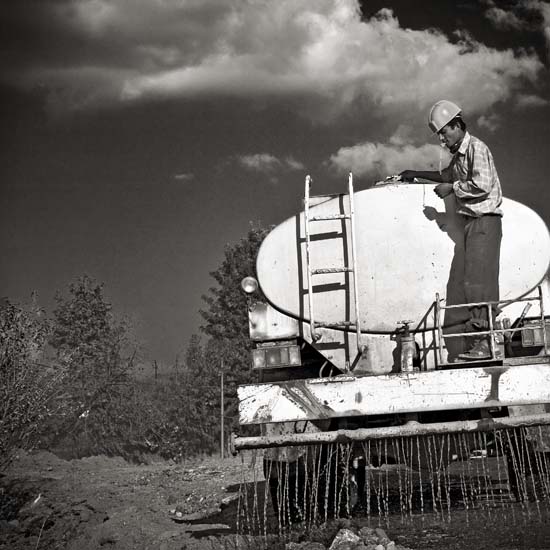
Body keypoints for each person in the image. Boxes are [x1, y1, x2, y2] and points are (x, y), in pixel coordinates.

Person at [400, 100, 503, 360]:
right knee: (469, 282)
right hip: (472, 224)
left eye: (444, 132)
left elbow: (482, 184)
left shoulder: (476, 148)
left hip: (484, 221)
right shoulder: (459, 155)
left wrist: (452, 190)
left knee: (480, 284)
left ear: (456, 125)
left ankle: (485, 343)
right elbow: (447, 176)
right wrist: (415, 174)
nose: (442, 139)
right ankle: (479, 341)